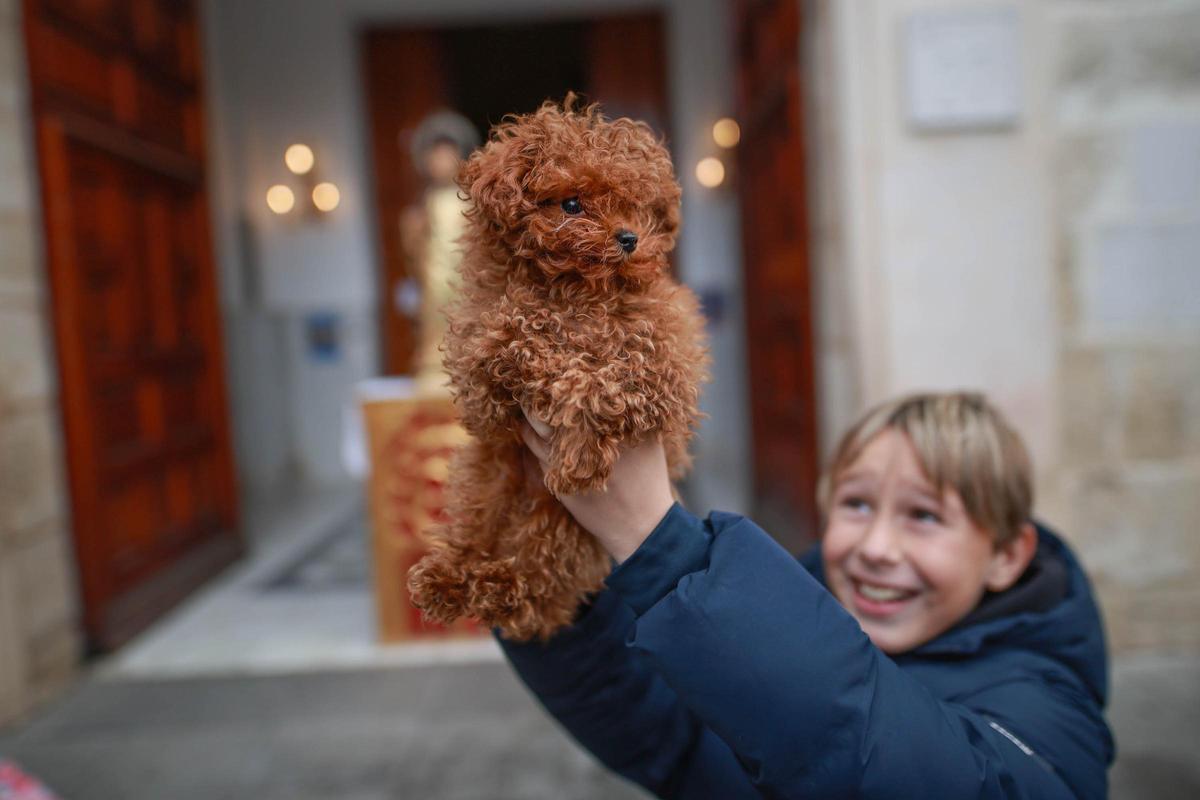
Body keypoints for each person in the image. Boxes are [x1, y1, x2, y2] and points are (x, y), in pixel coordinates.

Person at [503, 391, 1113, 798]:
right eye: (856, 504)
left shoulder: (1047, 705)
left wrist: (658, 545)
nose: (876, 547)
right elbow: (676, 742)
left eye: (924, 517)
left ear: (1007, 555)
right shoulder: (799, 612)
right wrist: (555, 582)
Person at [398, 110, 479, 394]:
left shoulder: (469, 203)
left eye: (448, 155)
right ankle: (432, 364)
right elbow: (413, 255)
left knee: (467, 330)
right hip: (433, 286)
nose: (442, 162)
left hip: (463, 283)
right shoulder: (423, 206)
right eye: (436, 156)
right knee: (433, 334)